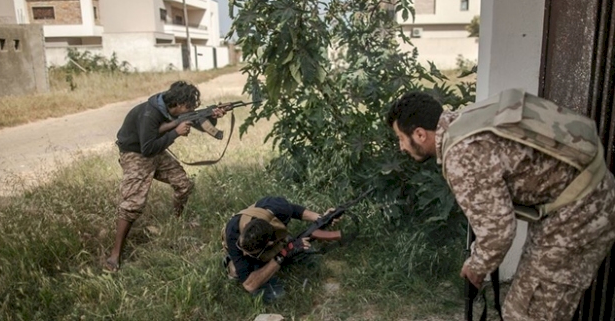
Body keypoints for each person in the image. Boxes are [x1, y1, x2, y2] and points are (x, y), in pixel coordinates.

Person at [386, 90, 615, 320]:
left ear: (419, 134)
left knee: (526, 313)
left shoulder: (460, 155)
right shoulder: (463, 122)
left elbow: (498, 232)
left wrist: (476, 267)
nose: (401, 147)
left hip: (581, 211)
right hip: (573, 201)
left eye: (400, 138)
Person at [105, 80, 226, 272]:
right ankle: (115, 254)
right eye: (188, 106)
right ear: (176, 104)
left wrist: (213, 116)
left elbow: (199, 123)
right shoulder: (149, 114)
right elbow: (147, 149)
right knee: (133, 203)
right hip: (136, 153)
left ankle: (177, 221)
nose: (191, 108)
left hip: (155, 150)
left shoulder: (174, 109)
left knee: (184, 184)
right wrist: (176, 133)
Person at [222, 196, 329, 303]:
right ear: (245, 226)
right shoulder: (233, 234)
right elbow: (249, 285)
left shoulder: (276, 208)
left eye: (248, 251)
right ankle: (232, 263)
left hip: (274, 242)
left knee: (310, 258)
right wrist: (283, 254)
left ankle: (273, 255)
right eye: (243, 248)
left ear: (269, 244)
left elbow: (292, 209)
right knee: (275, 295)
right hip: (248, 250)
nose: (244, 253)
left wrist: (320, 218)